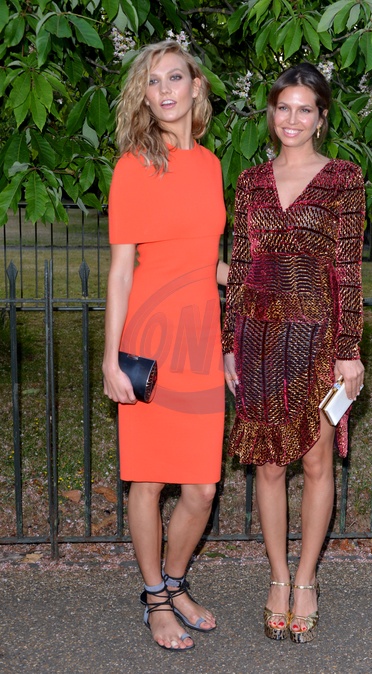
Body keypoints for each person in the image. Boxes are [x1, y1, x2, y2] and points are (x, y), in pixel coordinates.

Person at [222, 63, 365, 644]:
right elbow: (239, 265)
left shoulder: (343, 179)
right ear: (270, 113)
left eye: (305, 109)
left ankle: (306, 580)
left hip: (319, 339)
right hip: (256, 338)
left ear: (321, 118)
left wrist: (349, 352)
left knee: (316, 462)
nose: (292, 119)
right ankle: (277, 578)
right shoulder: (250, 182)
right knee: (269, 463)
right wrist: (229, 344)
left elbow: (347, 271)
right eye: (283, 107)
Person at [102, 40, 228, 652]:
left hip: (200, 341)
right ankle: (155, 597)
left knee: (202, 487)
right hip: (149, 340)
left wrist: (248, 277)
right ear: (145, 97)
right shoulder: (133, 167)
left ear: (196, 86)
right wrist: (110, 357)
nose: (165, 90)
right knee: (148, 482)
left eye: (174, 78)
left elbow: (203, 257)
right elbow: (122, 271)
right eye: (153, 82)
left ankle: (176, 583)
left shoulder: (211, 165)